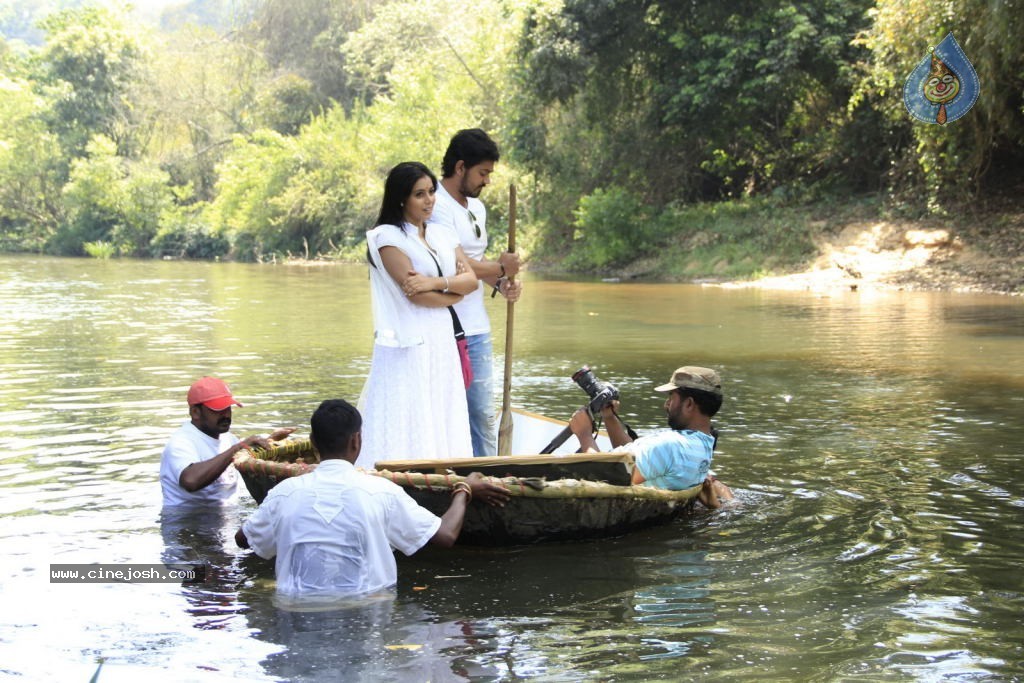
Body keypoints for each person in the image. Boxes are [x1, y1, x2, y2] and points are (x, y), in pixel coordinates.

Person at [235, 399, 510, 599]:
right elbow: (446, 535)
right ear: (356, 441)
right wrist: (464, 490)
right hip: (366, 610)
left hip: (295, 612)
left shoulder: (285, 494)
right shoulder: (381, 492)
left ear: (313, 444)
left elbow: (242, 539)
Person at [358, 161, 479, 467]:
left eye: (432, 192)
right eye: (419, 194)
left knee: (442, 407)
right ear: (401, 198)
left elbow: (471, 282)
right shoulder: (387, 237)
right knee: (411, 409)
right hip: (408, 343)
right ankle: (404, 473)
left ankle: (445, 472)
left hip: (442, 338)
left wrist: (436, 282)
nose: (429, 201)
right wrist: (453, 290)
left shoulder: (441, 234)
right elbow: (418, 296)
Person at [430, 129, 523, 457]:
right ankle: (458, 475)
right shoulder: (435, 204)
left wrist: (500, 282)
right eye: (482, 173)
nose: (486, 181)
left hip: (477, 328)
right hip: (445, 328)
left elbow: (478, 263)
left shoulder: (476, 209)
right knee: (449, 412)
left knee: (483, 414)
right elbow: (455, 264)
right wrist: (500, 268)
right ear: (460, 168)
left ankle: (486, 475)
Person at [569, 366, 734, 509]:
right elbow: (640, 461)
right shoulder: (702, 446)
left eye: (671, 397)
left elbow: (604, 479)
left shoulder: (671, 445)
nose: (666, 405)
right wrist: (610, 418)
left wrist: (584, 435)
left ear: (689, 404)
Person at [160, 376, 294, 507]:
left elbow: (245, 452)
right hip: (187, 522)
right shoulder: (180, 443)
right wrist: (237, 447)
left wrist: (270, 441)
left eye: (228, 408)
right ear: (195, 412)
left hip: (226, 517)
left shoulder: (228, 438)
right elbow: (190, 481)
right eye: (217, 410)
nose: (226, 415)